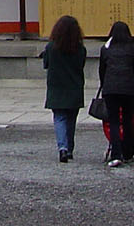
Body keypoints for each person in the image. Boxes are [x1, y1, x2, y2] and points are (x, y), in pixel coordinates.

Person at [42, 15, 86, 163]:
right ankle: (70, 148)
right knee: (71, 120)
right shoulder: (80, 49)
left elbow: (46, 64)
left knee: (59, 118)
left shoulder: (51, 48)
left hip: (56, 88)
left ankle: (62, 148)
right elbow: (81, 66)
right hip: (74, 87)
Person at [99, 20, 134, 167]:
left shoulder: (106, 49)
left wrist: (104, 85)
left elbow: (102, 70)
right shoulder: (133, 48)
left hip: (111, 89)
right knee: (128, 120)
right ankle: (128, 152)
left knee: (114, 122)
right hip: (129, 89)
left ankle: (116, 154)